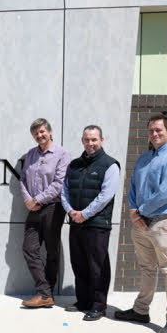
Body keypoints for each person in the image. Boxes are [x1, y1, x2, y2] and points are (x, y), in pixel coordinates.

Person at [115, 113, 167, 333]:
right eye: (151, 131)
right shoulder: (143, 158)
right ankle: (141, 311)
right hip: (141, 223)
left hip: (164, 223)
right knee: (147, 268)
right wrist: (133, 211)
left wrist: (142, 211)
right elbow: (133, 187)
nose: (154, 134)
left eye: (159, 130)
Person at [61, 125, 120, 321]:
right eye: (87, 140)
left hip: (97, 223)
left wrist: (85, 214)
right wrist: (70, 210)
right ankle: (83, 301)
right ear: (82, 140)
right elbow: (65, 191)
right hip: (76, 222)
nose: (90, 143)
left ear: (102, 140)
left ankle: (98, 306)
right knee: (79, 263)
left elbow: (105, 196)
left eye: (94, 140)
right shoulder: (74, 165)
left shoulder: (110, 165)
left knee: (97, 266)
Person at [20, 118, 70, 308]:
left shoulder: (62, 154)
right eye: (36, 133)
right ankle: (45, 292)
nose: (39, 136)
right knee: (29, 248)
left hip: (53, 207)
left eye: (42, 132)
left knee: (51, 251)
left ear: (49, 131)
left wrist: (37, 199)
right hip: (33, 208)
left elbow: (59, 183)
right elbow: (23, 179)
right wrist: (28, 200)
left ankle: (45, 293)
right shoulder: (31, 155)